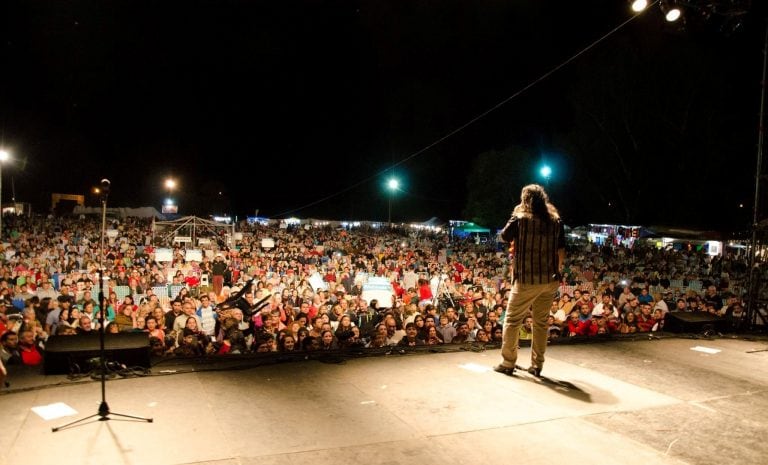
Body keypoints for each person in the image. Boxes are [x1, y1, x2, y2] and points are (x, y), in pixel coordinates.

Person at [495, 184, 565, 378]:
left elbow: (504, 236)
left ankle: (508, 362)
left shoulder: (520, 218)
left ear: (525, 200)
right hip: (550, 279)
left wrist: (517, 213)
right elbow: (561, 248)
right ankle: (537, 365)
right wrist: (558, 270)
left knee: (512, 320)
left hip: (526, 278)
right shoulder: (556, 220)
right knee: (541, 323)